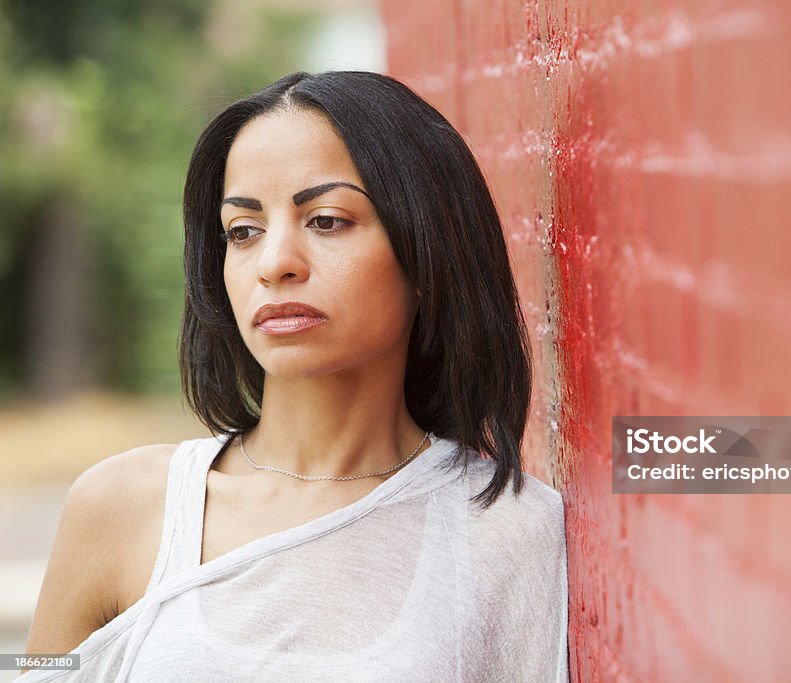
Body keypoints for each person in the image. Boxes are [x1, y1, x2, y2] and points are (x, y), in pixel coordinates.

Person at [20, 71, 569, 681]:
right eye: (243, 232)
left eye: (327, 220)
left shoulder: (507, 532)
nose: (275, 263)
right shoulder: (120, 507)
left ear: (425, 248)